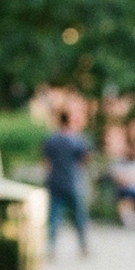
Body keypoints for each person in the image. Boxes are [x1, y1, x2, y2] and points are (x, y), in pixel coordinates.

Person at [41, 110, 92, 258]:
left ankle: (51, 248)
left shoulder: (51, 139)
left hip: (55, 182)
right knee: (79, 216)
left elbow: (46, 162)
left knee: (54, 217)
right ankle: (83, 247)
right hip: (73, 181)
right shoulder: (76, 139)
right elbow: (86, 157)